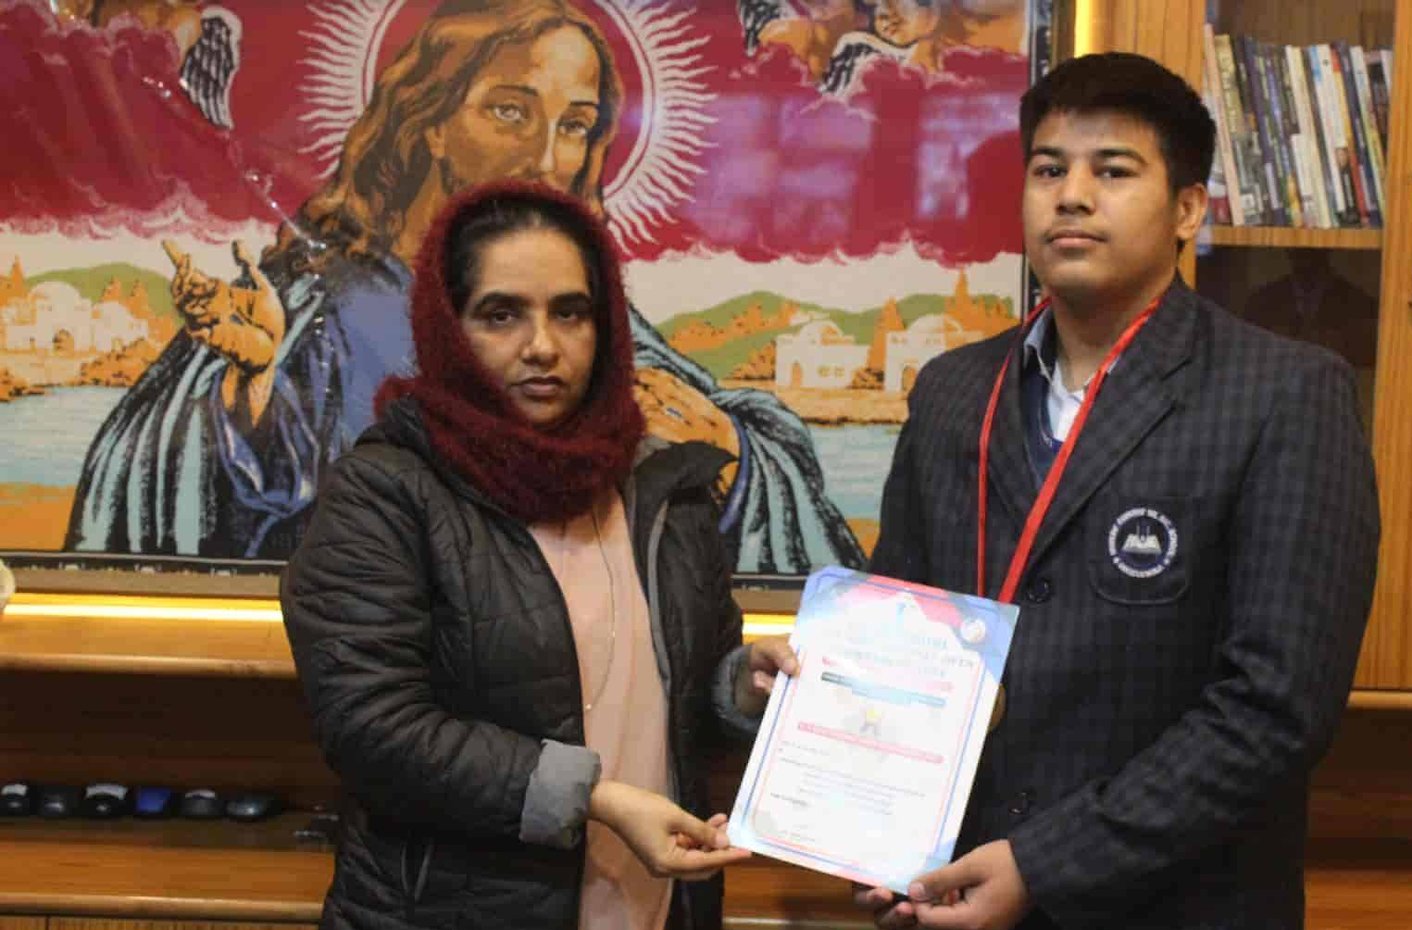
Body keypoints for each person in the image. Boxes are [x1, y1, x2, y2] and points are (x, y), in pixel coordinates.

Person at [855, 52, 1380, 930]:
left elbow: (1273, 707)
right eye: (1048, 168)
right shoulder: (954, 391)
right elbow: (899, 634)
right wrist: (868, 830)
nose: (1072, 194)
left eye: (1113, 170)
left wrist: (1046, 865)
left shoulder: (1284, 395)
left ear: (1187, 208)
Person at [69, 0, 865, 575]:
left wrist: (730, 453)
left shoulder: (589, 321)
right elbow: (181, 496)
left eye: (575, 125)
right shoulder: (309, 306)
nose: (546, 158)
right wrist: (251, 389)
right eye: (511, 112)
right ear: (431, 122)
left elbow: (746, 475)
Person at [279, 179, 797, 930]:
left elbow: (684, 690)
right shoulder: (388, 491)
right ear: (449, 327)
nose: (543, 346)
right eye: (501, 314)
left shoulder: (660, 487)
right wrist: (594, 798)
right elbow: (374, 727)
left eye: (571, 312)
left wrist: (742, 686)